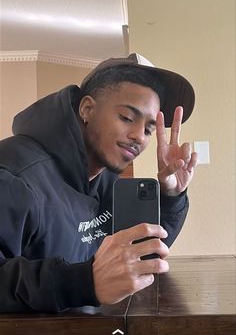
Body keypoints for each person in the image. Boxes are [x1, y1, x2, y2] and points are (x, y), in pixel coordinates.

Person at [0, 53, 197, 312]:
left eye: (148, 129)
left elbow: (135, 257)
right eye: (127, 118)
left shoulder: (104, 180)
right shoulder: (14, 175)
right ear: (87, 109)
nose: (139, 136)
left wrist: (171, 196)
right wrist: (83, 282)